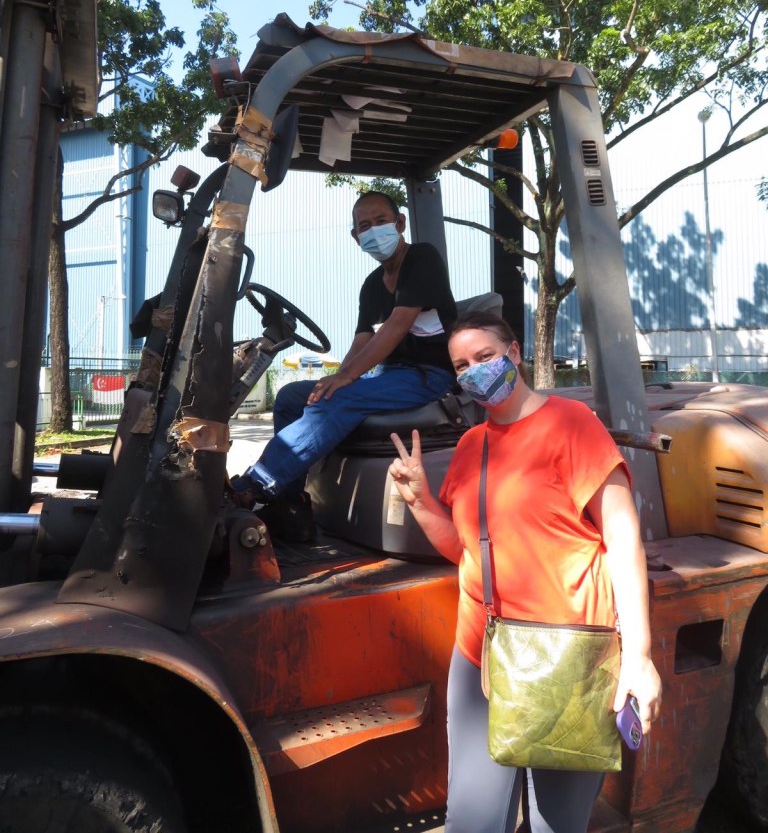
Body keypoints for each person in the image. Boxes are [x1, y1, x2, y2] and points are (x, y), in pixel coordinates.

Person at [388, 310, 662, 833]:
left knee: (555, 823)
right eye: (462, 365)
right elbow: (467, 550)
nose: (474, 371)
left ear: (514, 353)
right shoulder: (471, 445)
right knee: (473, 822)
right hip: (482, 655)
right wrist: (420, 500)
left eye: (485, 356)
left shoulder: (571, 423)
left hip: (569, 657)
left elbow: (623, 538)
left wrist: (639, 657)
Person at [230, 190, 458, 541]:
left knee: (339, 397)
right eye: (365, 226)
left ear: (400, 223)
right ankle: (290, 505)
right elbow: (363, 339)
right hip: (388, 377)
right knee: (292, 397)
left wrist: (347, 378)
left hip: (429, 377)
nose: (374, 230)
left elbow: (397, 324)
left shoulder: (422, 258)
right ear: (356, 236)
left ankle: (254, 486)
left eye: (381, 221)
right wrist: (336, 377)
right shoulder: (371, 286)